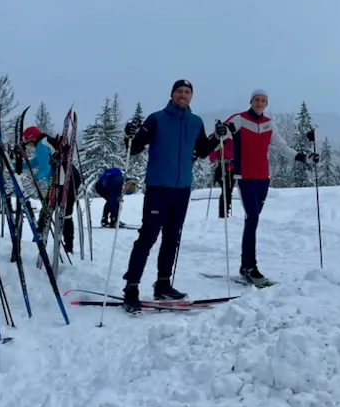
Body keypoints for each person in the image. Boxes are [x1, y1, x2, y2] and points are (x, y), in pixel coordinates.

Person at [120, 79, 224, 314]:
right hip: (158, 187)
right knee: (147, 238)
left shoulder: (195, 122)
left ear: (191, 97)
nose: (183, 95)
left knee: (171, 238)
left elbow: (202, 150)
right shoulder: (156, 119)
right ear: (172, 94)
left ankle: (163, 284)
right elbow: (135, 147)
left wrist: (217, 137)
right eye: (180, 91)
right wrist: (129, 136)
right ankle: (131, 289)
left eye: (187, 92)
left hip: (182, 189)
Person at [222, 89, 318, 287]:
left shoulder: (268, 124)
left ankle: (244, 266)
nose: (259, 102)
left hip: (263, 178)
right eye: (257, 99)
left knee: (253, 220)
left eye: (263, 100)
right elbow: (224, 131)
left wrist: (303, 157)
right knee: (253, 218)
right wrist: (221, 131)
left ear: (266, 104)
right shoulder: (240, 120)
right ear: (251, 101)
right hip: (245, 177)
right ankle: (250, 267)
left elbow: (281, 147)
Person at [21, 126, 82, 255]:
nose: (30, 147)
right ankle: (67, 245)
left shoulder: (41, 145)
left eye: (29, 144)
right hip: (67, 177)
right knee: (58, 210)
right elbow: (34, 162)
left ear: (32, 139)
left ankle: (46, 241)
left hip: (64, 179)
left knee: (55, 210)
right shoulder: (46, 142)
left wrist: (36, 177)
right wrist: (16, 165)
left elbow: (45, 168)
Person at [209, 136, 234, 218]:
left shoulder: (230, 141)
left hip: (230, 168)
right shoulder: (217, 143)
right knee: (225, 191)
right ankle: (223, 213)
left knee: (228, 190)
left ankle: (226, 210)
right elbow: (211, 158)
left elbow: (231, 155)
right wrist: (215, 149)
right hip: (221, 168)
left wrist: (223, 147)